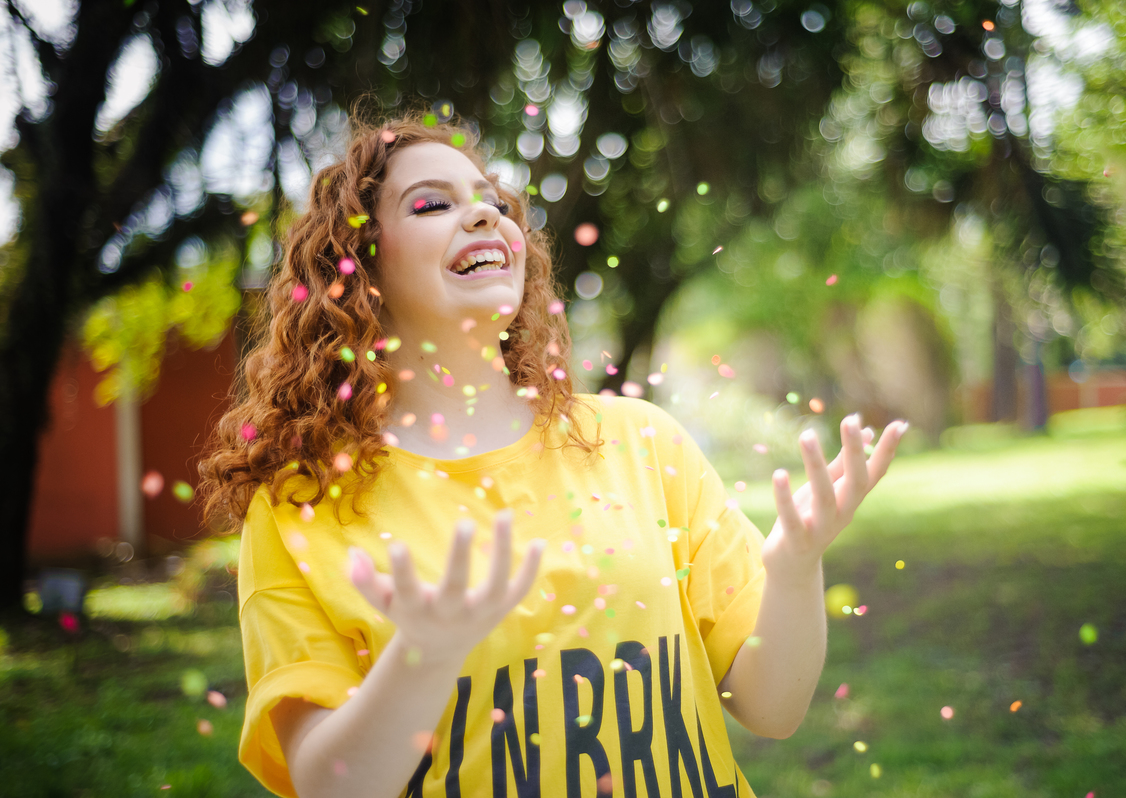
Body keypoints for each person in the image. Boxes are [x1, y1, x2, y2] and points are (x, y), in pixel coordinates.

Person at [199, 110, 907, 798]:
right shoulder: (300, 505)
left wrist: (791, 570)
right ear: (357, 270)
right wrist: (423, 655)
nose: (484, 216)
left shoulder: (642, 441)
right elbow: (329, 787)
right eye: (431, 205)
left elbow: (772, 707)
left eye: (493, 202)